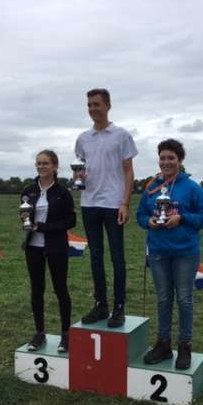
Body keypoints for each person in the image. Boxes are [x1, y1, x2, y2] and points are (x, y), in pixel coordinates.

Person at [136, 139, 203, 370]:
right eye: (162, 158)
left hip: (185, 253)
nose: (166, 162)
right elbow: (140, 215)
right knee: (163, 298)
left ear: (180, 160)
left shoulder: (192, 188)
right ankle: (163, 344)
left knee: (184, 298)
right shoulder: (152, 187)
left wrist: (182, 218)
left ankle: (185, 345)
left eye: (171, 158)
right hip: (158, 252)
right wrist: (149, 221)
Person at [74, 88, 138, 327]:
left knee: (117, 257)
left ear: (108, 106)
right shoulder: (83, 138)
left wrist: (125, 203)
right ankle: (101, 304)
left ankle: (119, 307)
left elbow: (128, 171)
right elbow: (80, 167)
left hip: (113, 204)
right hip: (89, 203)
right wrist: (78, 177)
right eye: (89, 105)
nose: (92, 109)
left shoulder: (121, 135)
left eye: (97, 104)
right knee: (96, 256)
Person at [21, 150, 77, 352]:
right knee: (37, 289)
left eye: (45, 163)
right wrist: (25, 221)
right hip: (33, 247)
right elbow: (24, 216)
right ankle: (39, 333)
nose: (41, 167)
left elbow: (70, 221)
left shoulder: (63, 192)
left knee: (60, 289)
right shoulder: (29, 190)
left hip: (56, 247)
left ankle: (66, 334)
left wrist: (44, 227)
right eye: (38, 163)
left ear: (55, 166)